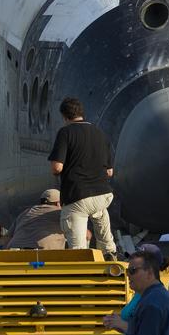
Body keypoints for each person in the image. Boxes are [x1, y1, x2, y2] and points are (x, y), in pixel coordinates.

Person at [48, 97, 117, 254]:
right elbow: (109, 171)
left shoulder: (65, 133)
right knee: (99, 213)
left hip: (77, 195)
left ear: (64, 116)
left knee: (78, 248)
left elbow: (57, 167)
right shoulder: (99, 133)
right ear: (81, 113)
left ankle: (82, 261)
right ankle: (109, 252)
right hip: (103, 195)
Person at [0, 188, 67, 250]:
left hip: (15, 248)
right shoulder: (60, 212)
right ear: (58, 203)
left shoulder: (26, 212)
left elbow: (8, 237)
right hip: (44, 252)